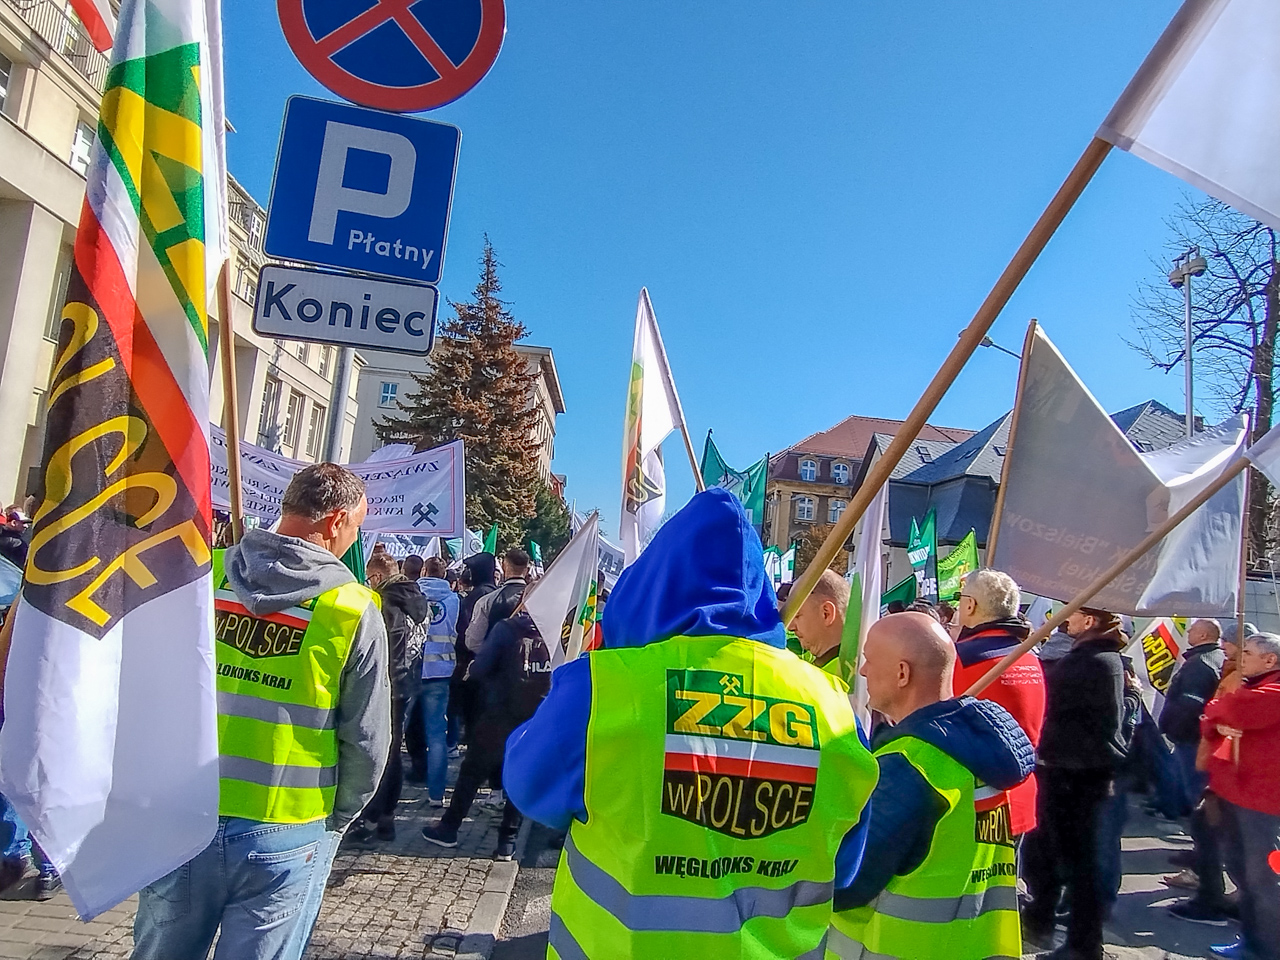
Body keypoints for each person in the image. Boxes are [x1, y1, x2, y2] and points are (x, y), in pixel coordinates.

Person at [503, 490, 879, 958]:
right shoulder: (836, 710)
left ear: (654, 580)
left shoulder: (603, 687)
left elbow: (528, 787)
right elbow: (844, 866)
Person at [132, 463, 391, 960]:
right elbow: (366, 737)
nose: (354, 539)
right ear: (336, 520)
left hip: (182, 809)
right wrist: (340, 816)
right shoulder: (353, 608)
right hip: (287, 825)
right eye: (356, 526)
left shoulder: (199, 575)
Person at [828, 613, 1034, 960]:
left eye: (869, 660)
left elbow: (847, 882)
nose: (862, 671)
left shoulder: (909, 765)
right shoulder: (977, 749)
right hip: (972, 945)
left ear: (902, 673)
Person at [1020, 606, 1128, 960]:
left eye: (1075, 614)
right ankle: (1045, 919)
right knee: (1056, 856)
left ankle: (1082, 944)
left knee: (1077, 863)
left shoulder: (1092, 661)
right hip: (1077, 770)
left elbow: (1051, 704)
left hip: (1073, 774)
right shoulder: (1101, 657)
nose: (1067, 618)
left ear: (1090, 621)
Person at [422, 608, 549, 860]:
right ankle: (507, 843)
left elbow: (481, 668)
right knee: (519, 776)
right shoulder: (558, 633)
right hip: (535, 717)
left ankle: (449, 827)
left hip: (499, 714)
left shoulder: (507, 629)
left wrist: (474, 668)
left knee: (472, 773)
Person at [1198, 633, 1280, 960]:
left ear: (1270, 660)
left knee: (1262, 878)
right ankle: (1252, 940)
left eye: (1247, 652)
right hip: (1237, 793)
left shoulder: (1273, 690)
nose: (1239, 657)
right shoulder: (1252, 686)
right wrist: (1218, 721)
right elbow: (1212, 711)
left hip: (1262, 801)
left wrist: (1219, 714)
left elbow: (1233, 707)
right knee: (1243, 872)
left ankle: (1268, 947)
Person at [952, 568, 1046, 839]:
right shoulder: (1029, 656)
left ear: (970, 605)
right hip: (1020, 794)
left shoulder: (961, 659)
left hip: (978, 802)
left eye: (960, 598)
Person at [352, 552, 429, 843]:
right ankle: (386, 818)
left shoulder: (384, 602)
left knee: (379, 752)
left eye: (370, 578)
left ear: (378, 576)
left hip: (388, 684)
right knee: (394, 751)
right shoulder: (419, 600)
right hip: (410, 683)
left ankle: (373, 817)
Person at [1160, 619, 1224, 814]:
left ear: (1203, 635)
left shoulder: (1200, 663)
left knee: (1192, 779)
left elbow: (1190, 703)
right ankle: (1176, 808)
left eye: (1193, 629)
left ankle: (1198, 820)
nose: (1188, 631)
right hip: (1197, 731)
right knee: (1182, 775)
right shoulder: (1214, 657)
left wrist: (1175, 729)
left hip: (1190, 732)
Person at [414, 556, 459, 803]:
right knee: (437, 736)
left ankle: (384, 796)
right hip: (441, 672)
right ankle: (436, 795)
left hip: (413, 670)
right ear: (444, 575)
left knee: (395, 734)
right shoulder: (454, 600)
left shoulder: (413, 595)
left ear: (424, 571)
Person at [789, 568, 849, 673]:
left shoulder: (842, 674)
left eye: (797, 616)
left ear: (826, 613)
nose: (791, 627)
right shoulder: (853, 668)